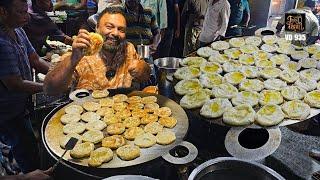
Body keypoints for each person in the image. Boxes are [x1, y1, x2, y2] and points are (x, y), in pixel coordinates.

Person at [44, 6, 151, 95]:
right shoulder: (81, 52)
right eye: (109, 27)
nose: (115, 33)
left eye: (121, 29)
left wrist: (143, 68)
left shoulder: (128, 49)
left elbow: (145, 77)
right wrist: (73, 60)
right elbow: (50, 90)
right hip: (87, 115)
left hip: (121, 113)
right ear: (97, 28)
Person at [0, 0, 50, 173]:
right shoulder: (1, 42)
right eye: (20, 12)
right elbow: (15, 84)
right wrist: (48, 86)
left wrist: (59, 73)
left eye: (25, 11)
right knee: (21, 147)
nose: (26, 16)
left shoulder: (18, 31)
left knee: (28, 141)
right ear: (3, 12)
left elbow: (35, 59)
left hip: (22, 105)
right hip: (8, 111)